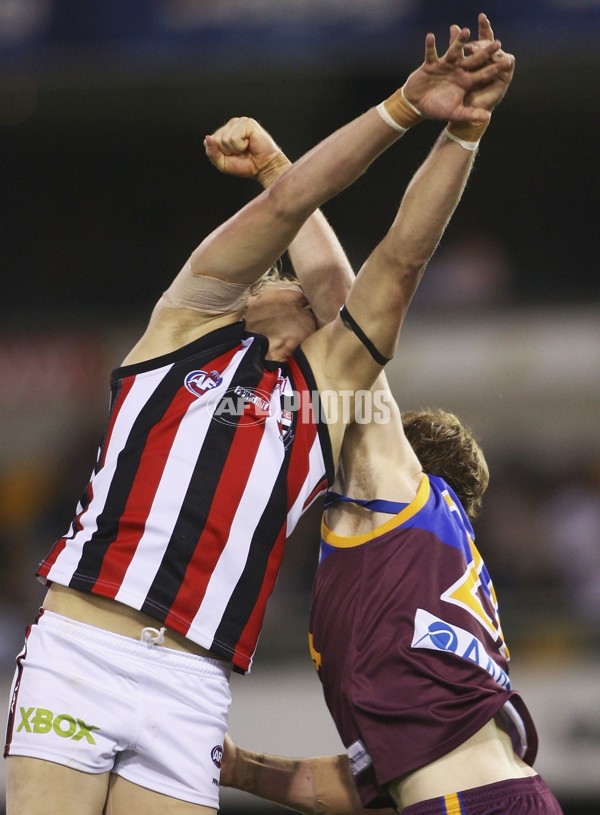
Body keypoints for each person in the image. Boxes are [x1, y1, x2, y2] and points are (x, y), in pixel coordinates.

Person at [4, 17, 511, 815]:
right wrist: (404, 107)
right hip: (83, 645)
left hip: (191, 679)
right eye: (281, 274)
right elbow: (294, 199)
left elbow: (399, 263)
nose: (297, 284)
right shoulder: (180, 326)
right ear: (249, 296)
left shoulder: (327, 395)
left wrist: (464, 133)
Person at [217, 18, 564, 815]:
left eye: (276, 296)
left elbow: (384, 268)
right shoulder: (374, 542)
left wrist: (460, 132)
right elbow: (352, 781)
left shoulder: (384, 483)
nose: (263, 301)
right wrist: (234, 766)